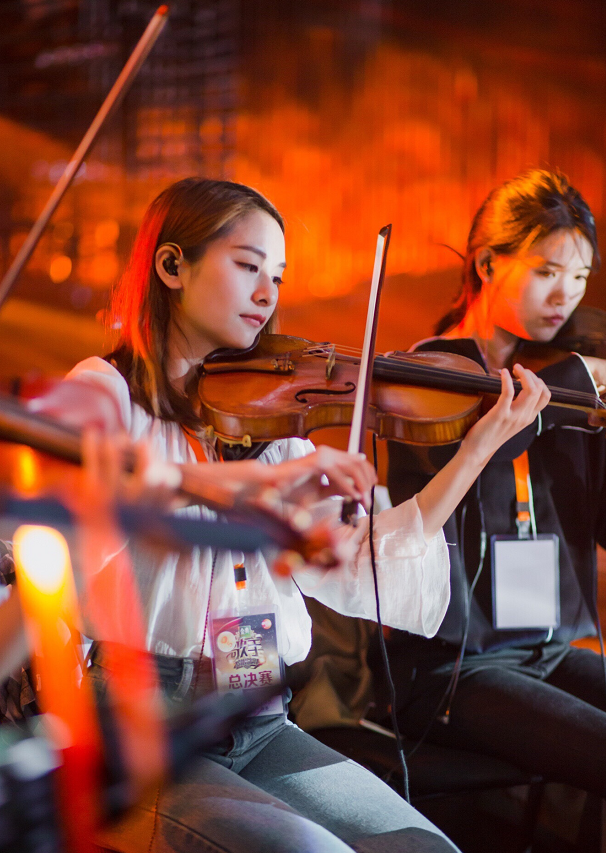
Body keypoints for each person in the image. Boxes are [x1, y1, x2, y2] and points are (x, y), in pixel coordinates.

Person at [59, 177, 547, 853]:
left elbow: (360, 557)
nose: (268, 294)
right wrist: (242, 485)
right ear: (172, 265)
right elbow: (86, 508)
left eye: (278, 276)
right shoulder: (102, 392)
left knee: (422, 846)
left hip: (261, 718)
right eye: (248, 266)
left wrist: (474, 452)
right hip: (140, 728)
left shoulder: (269, 420)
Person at [384, 168, 606, 800]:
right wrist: (574, 384)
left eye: (580, 277)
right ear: (486, 264)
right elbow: (483, 450)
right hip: (455, 667)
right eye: (547, 271)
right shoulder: (429, 373)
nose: (566, 296)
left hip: (548, 647)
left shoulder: (565, 377)